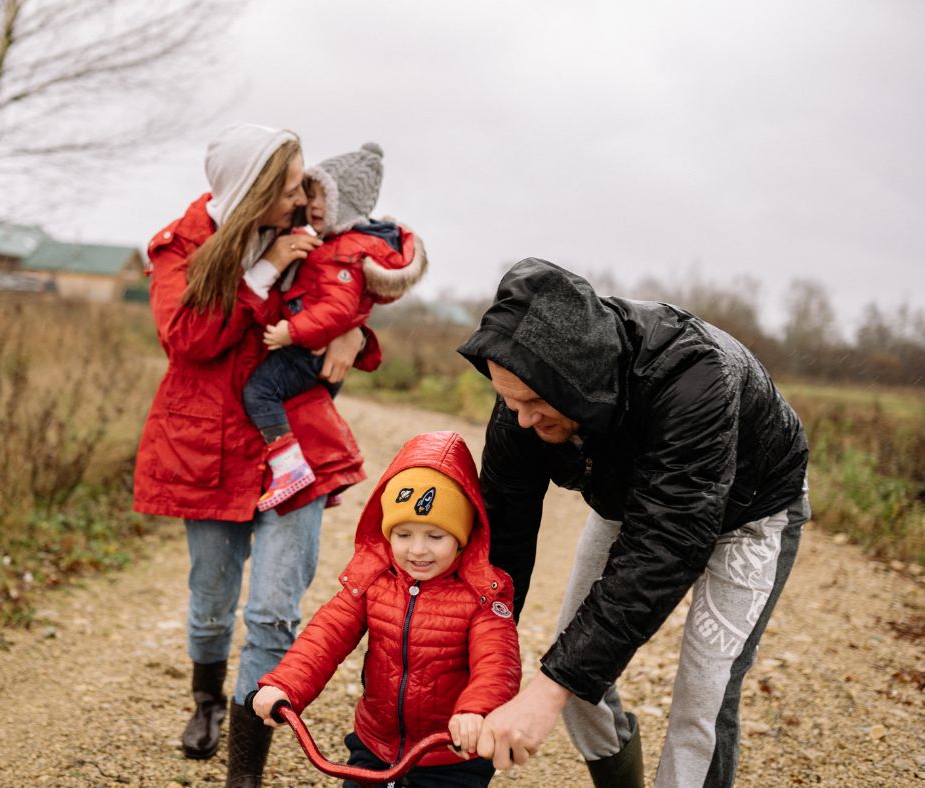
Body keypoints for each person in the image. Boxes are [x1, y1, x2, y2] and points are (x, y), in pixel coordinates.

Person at [456, 258, 810, 788]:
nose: (521, 419)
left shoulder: (694, 376)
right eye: (508, 401)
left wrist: (547, 690)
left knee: (701, 698)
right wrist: (480, 660)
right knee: (574, 669)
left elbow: (665, 547)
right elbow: (504, 529)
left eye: (532, 403)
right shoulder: (523, 399)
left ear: (576, 380)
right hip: (636, 502)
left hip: (751, 509)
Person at [133, 123, 381, 788]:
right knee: (212, 602)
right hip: (206, 450)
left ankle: (246, 771)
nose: (303, 195)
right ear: (255, 189)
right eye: (292, 183)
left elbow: (349, 281)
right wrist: (265, 270)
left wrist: (358, 332)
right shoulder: (180, 246)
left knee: (274, 611)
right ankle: (209, 700)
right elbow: (187, 339)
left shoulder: (310, 229)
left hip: (293, 449)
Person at [251, 431, 522, 788]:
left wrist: (475, 710)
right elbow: (325, 636)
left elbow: (498, 665)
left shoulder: (483, 594)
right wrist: (286, 685)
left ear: (462, 535)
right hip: (375, 744)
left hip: (449, 751)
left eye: (435, 536)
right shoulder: (374, 579)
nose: (418, 550)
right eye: (403, 534)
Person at [243, 142, 427, 512]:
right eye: (311, 193)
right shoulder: (335, 244)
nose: (313, 205)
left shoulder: (342, 251)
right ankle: (328, 479)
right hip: (315, 347)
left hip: (307, 350)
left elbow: (338, 310)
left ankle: (290, 469)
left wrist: (292, 332)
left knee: (259, 393)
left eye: (325, 197)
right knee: (305, 409)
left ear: (349, 203)